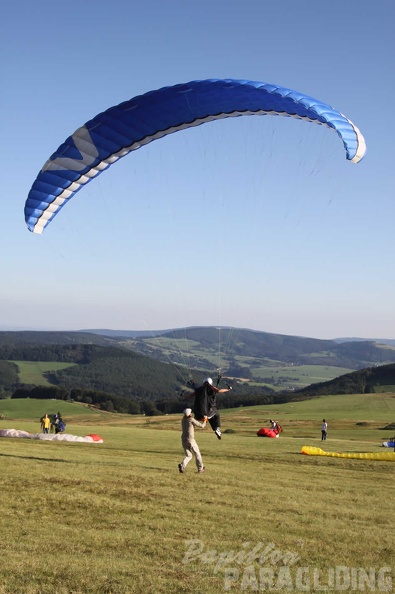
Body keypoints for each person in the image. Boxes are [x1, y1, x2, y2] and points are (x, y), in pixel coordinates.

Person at [178, 408, 206, 474]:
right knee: (197, 454)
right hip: (190, 440)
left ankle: (182, 465)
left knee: (189, 456)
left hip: (183, 440)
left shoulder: (183, 420)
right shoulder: (191, 419)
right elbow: (202, 426)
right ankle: (200, 468)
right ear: (190, 414)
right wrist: (205, 420)